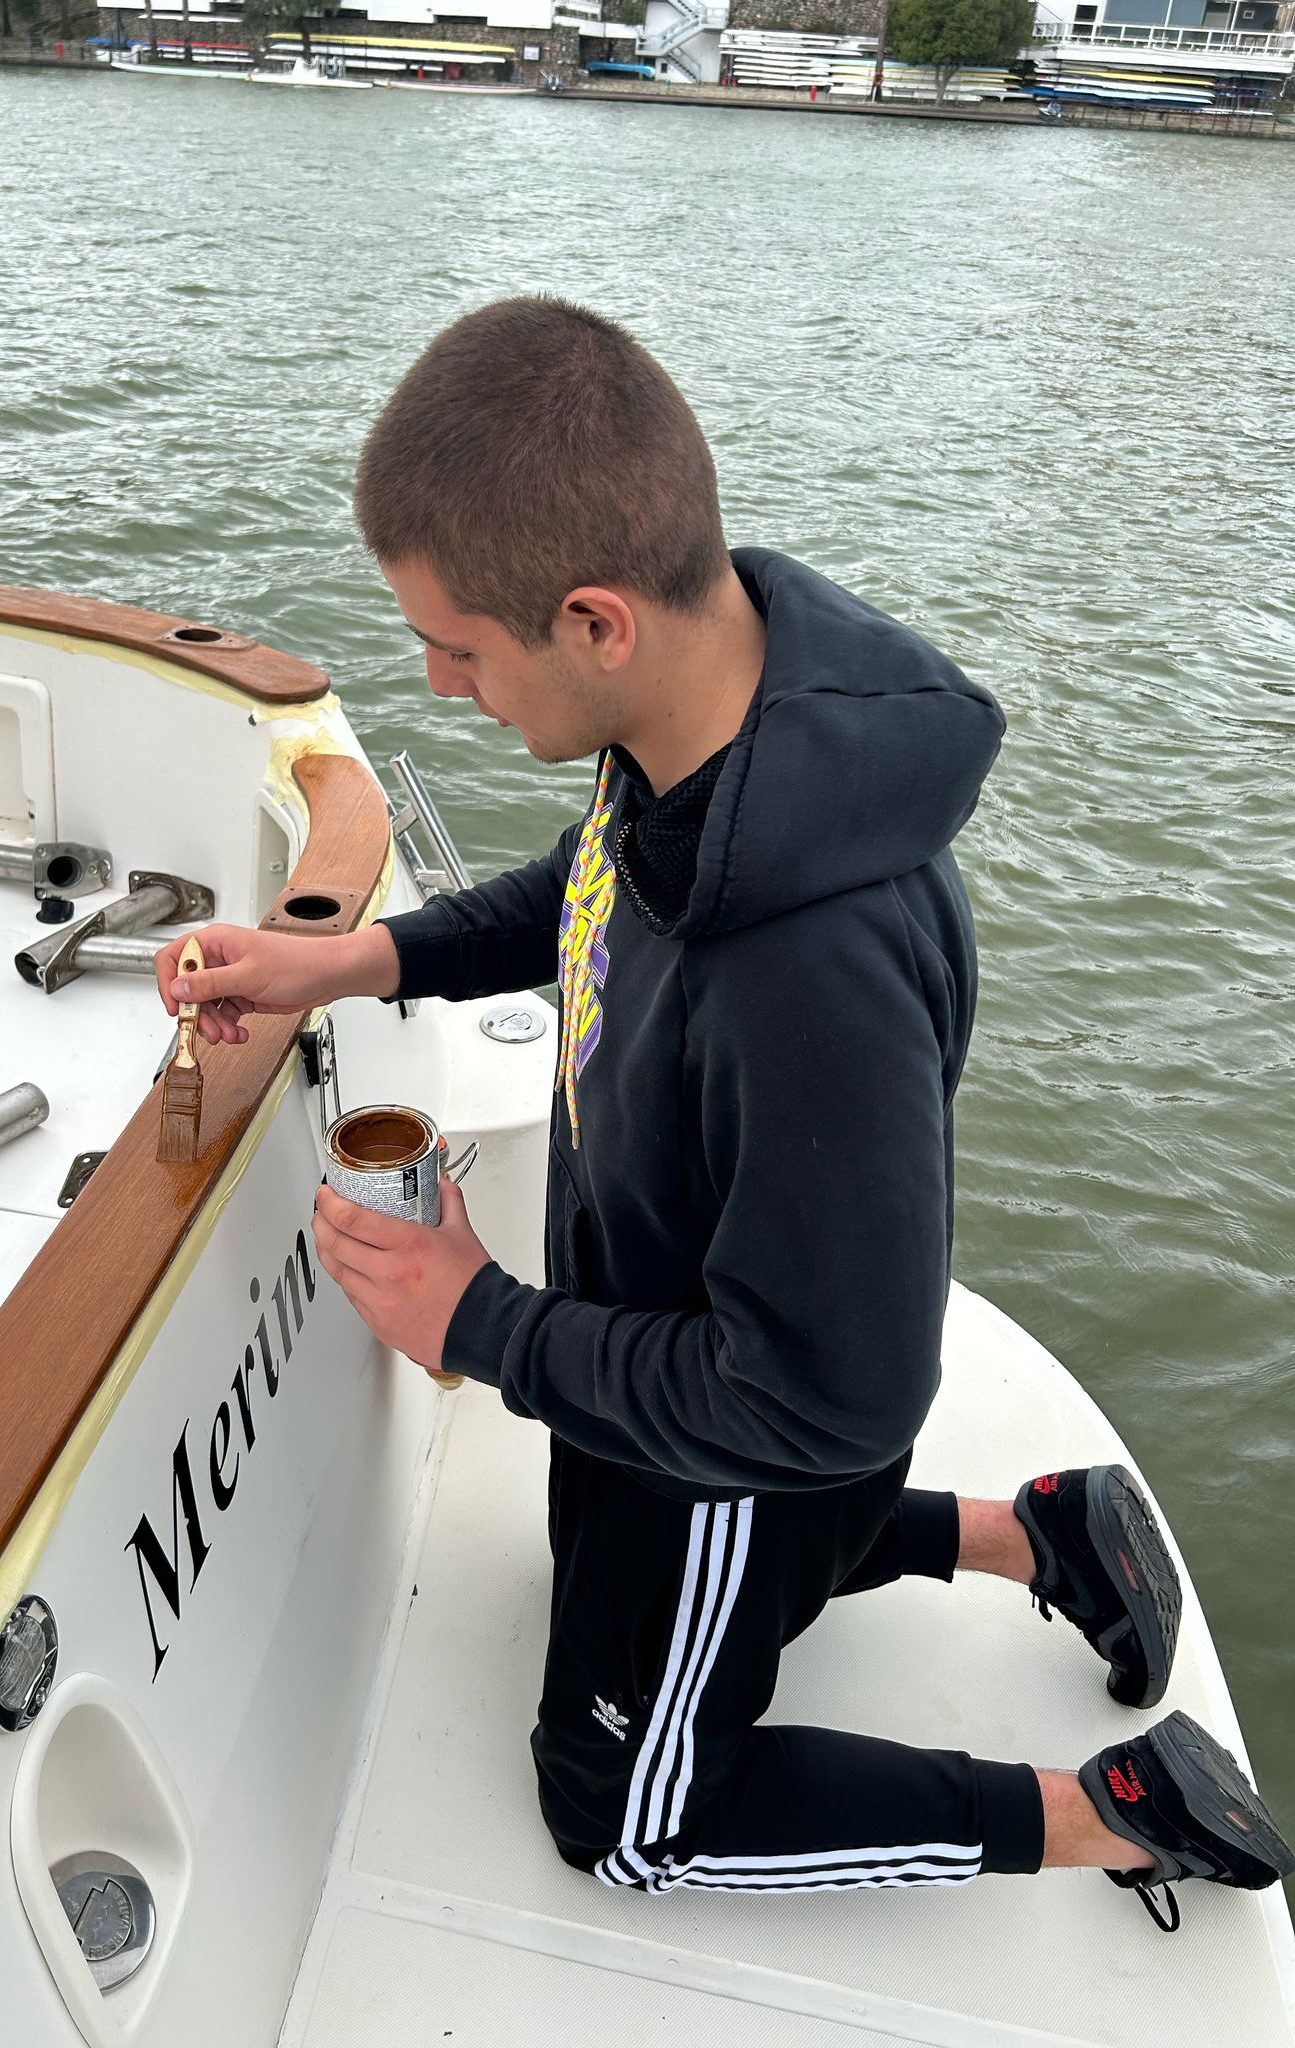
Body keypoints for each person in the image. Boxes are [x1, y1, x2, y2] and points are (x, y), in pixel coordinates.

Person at [156, 295, 1293, 1929]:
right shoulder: (702, 731)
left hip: (732, 1453)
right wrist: (354, 961)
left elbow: (823, 1402)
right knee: (610, 1565)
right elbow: (590, 885)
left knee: (621, 1813)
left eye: (458, 648)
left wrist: (481, 1323)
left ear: (595, 622)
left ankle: (1118, 1811)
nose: (441, 685)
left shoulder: (811, 975)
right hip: (669, 1366)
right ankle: (1046, 1540)